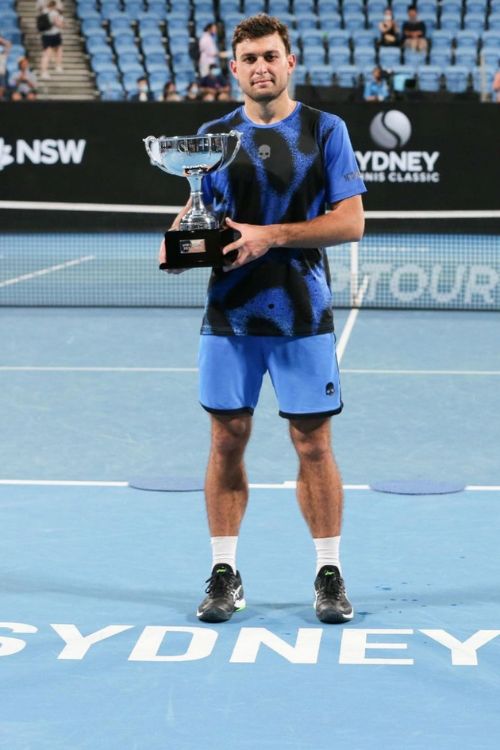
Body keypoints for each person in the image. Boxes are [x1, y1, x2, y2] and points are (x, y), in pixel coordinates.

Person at [159, 13, 365, 625]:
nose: (261, 67)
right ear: (234, 68)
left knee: (313, 444)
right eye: (249, 58)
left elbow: (351, 222)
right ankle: (225, 571)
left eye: (271, 56)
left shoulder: (326, 130)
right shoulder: (214, 134)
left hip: (304, 315)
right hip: (230, 317)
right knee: (226, 440)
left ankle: (328, 571)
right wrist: (178, 243)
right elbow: (196, 214)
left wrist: (270, 236)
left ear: (290, 61)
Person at [38, 0, 64, 79]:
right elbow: (59, 24)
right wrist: (62, 24)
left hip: (45, 35)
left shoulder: (43, 12)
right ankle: (53, 68)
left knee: (49, 52)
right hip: (53, 34)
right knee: (51, 53)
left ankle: (47, 70)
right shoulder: (54, 13)